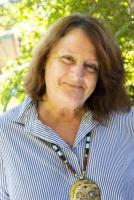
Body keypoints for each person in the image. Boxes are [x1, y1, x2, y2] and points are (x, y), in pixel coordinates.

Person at [0, 13, 134, 200]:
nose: (77, 75)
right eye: (67, 59)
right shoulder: (5, 135)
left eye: (91, 66)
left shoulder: (128, 124)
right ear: (45, 60)